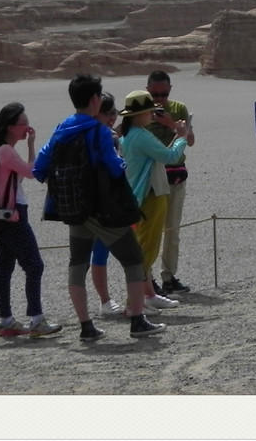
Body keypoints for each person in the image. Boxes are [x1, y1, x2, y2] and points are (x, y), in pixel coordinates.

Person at [32, 74, 166, 339]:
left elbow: (39, 168)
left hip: (73, 209)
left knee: (77, 265)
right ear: (95, 99)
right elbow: (115, 169)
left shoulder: (61, 129)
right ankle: (137, 320)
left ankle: (86, 326)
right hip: (102, 210)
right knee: (133, 259)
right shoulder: (100, 131)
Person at [0, 102, 62, 339]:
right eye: (23, 124)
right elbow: (31, 172)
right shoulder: (6, 151)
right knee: (34, 265)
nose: (27, 128)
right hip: (14, 215)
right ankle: (36, 319)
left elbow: (23, 173)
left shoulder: (0, 150)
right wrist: (31, 146)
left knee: (4, 267)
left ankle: (6, 321)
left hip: (5, 215)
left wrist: (29, 145)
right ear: (10, 126)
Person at [118, 89, 190, 312]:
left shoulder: (128, 135)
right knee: (147, 252)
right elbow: (170, 156)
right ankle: (135, 303)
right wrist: (181, 136)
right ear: (139, 115)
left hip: (140, 195)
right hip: (151, 195)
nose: (152, 115)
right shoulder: (141, 136)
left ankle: (147, 296)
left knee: (142, 248)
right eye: (149, 111)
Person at [146, 69, 195, 295]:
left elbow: (190, 140)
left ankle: (169, 276)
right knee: (150, 230)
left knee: (172, 229)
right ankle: (147, 279)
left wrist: (172, 124)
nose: (159, 100)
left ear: (170, 90)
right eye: (155, 95)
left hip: (175, 176)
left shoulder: (178, 109)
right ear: (147, 90)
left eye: (164, 94)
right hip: (150, 178)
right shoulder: (140, 111)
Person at [89, 93, 127, 316]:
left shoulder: (85, 133)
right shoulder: (105, 136)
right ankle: (106, 301)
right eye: (107, 113)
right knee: (105, 252)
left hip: (92, 201)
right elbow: (116, 168)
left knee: (91, 254)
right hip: (104, 202)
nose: (112, 117)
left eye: (114, 112)